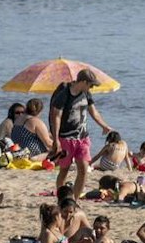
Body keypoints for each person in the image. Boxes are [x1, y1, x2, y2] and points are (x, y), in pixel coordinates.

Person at [49, 69, 114, 203]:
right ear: (83, 82)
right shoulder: (64, 94)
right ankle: (62, 200)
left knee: (83, 170)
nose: (92, 87)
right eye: (91, 84)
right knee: (64, 170)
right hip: (66, 138)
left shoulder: (86, 93)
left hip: (82, 138)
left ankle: (74, 200)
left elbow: (93, 112)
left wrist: (104, 126)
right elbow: (56, 116)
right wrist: (56, 140)